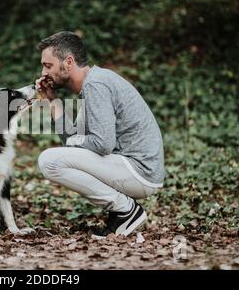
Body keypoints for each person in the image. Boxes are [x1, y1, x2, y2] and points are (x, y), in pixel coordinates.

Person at [35, 31, 165, 236]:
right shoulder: (91, 85)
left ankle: (126, 210)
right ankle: (122, 212)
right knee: (55, 157)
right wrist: (52, 101)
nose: (43, 73)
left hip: (139, 170)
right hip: (130, 167)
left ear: (68, 62)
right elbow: (72, 141)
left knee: (48, 160)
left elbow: (102, 143)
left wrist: (73, 142)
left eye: (48, 65)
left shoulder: (96, 85)